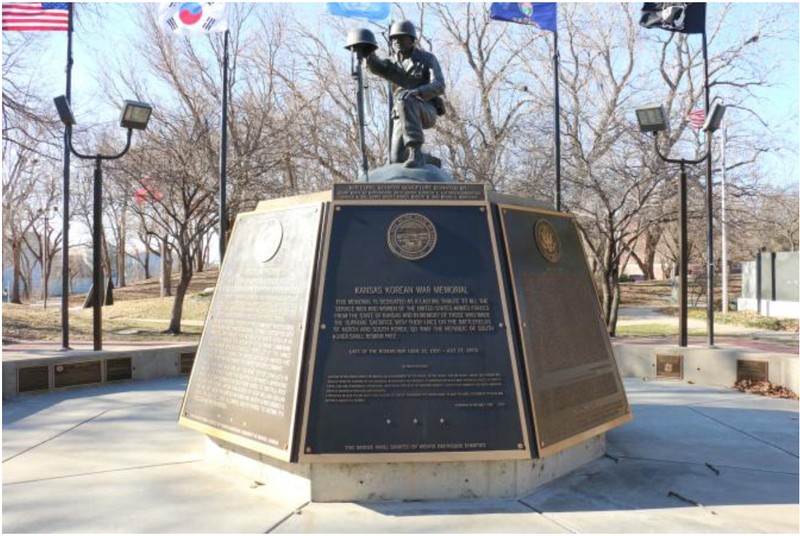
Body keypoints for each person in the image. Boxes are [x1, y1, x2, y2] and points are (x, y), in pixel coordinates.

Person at [366, 20, 446, 168]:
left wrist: (418, 92)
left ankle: (415, 151)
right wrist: (367, 53)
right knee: (396, 158)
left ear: (411, 40)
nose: (396, 41)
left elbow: (440, 85)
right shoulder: (391, 63)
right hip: (401, 112)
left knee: (406, 99)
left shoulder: (427, 59)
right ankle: (427, 159)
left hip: (425, 108)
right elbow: (376, 67)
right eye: (393, 38)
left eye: (401, 37)